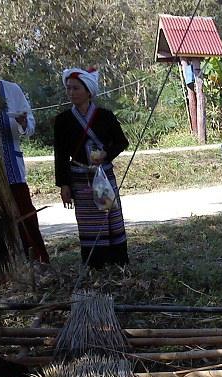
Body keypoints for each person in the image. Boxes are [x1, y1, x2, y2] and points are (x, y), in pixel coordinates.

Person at [54, 67, 129, 268]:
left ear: (88, 91)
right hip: (79, 177)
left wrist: (106, 154)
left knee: (110, 216)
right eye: (68, 88)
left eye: (76, 88)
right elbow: (60, 155)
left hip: (103, 176)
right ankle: (94, 264)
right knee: (88, 221)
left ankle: (117, 262)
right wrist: (64, 185)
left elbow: (122, 142)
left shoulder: (105, 116)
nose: (71, 93)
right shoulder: (63, 121)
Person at [0, 43, 50, 264]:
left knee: (25, 214)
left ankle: (38, 261)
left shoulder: (11, 90)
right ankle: (4, 268)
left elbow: (30, 125)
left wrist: (23, 123)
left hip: (11, 167)